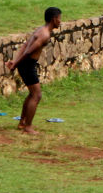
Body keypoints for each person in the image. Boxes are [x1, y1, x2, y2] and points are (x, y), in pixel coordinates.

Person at [5, 7, 62, 135]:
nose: (60, 21)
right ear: (54, 19)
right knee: (37, 95)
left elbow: (25, 46)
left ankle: (22, 123)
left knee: (32, 94)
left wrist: (15, 61)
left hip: (25, 63)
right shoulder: (45, 35)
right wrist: (16, 64)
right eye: (59, 19)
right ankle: (28, 127)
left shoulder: (40, 30)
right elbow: (28, 51)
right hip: (27, 65)